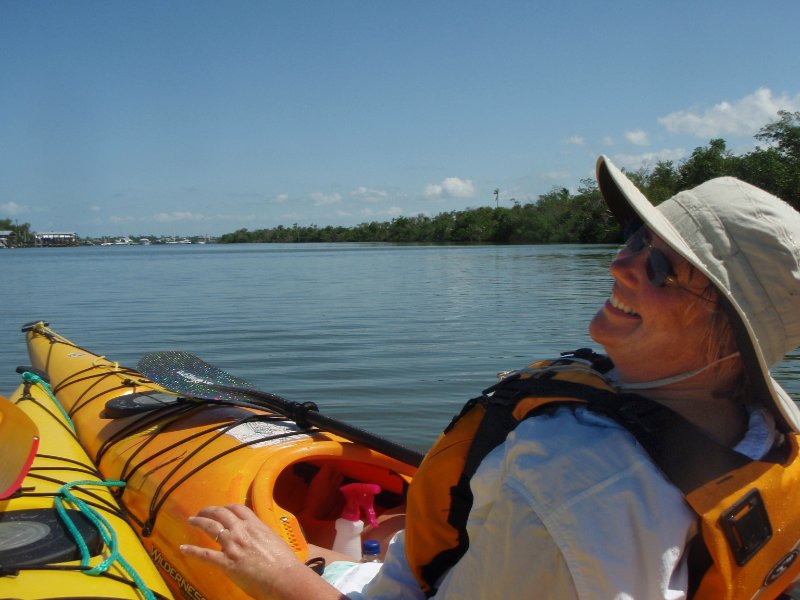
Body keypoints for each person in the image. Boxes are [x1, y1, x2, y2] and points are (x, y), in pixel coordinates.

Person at [180, 155, 800, 599]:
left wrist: (281, 579)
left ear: (731, 336)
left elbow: (577, 521)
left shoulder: (567, 475)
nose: (620, 263)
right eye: (635, 237)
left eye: (662, 267)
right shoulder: (760, 429)